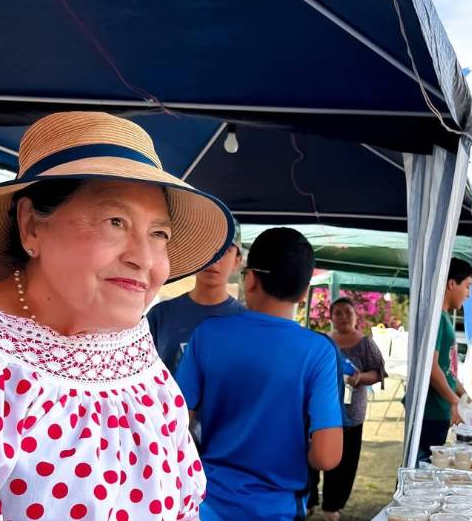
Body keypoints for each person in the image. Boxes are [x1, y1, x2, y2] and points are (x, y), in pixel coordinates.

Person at [0, 112, 234, 519]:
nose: (144, 259)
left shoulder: (133, 352)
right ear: (31, 226)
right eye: (115, 222)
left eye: (158, 234)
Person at [175, 227, 344, 520]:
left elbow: (175, 423)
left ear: (250, 279)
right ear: (305, 292)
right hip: (279, 508)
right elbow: (326, 457)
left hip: (207, 502)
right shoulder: (319, 352)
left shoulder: (208, 335)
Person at [309, 297, 387, 520]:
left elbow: (379, 373)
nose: (343, 316)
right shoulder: (323, 341)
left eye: (348, 312)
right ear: (331, 317)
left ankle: (332, 506)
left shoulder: (365, 343)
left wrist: (360, 378)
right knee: (313, 455)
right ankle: (310, 500)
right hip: (321, 411)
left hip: (351, 415)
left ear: (355, 316)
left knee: (345, 461)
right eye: (338, 312)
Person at [147, 221, 244, 374]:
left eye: (225, 250)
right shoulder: (160, 315)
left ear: (237, 261)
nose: (215, 259)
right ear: (195, 255)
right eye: (207, 248)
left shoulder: (245, 321)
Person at [417, 257, 472, 464]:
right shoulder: (436, 318)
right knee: (422, 466)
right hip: (431, 411)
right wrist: (454, 401)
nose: (468, 294)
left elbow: (447, 369)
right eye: (467, 286)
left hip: (440, 410)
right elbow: (431, 368)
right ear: (452, 284)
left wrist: (464, 396)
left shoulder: (444, 318)